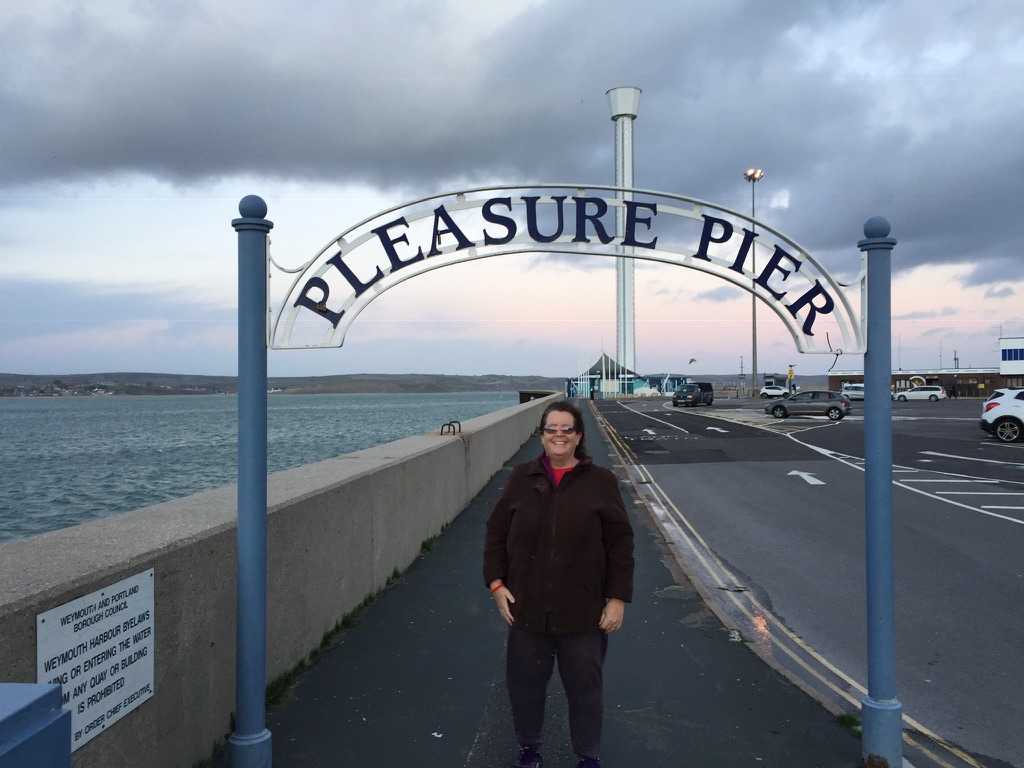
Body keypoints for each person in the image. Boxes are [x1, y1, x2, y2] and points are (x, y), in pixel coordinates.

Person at [483, 400, 635, 768]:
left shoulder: (601, 481)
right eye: (551, 428)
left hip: (582, 611)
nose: (559, 435)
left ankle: (588, 757)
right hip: (527, 609)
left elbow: (621, 543)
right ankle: (529, 750)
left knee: (585, 691)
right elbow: (496, 532)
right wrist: (496, 584)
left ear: (579, 436)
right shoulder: (522, 477)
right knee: (525, 688)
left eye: (567, 429)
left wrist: (617, 599)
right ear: (542, 435)